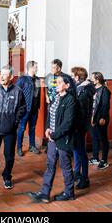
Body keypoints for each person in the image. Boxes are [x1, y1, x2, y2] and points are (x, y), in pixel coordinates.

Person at [27, 74, 77, 203]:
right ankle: (44, 193)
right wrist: (48, 128)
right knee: (50, 165)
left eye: (59, 82)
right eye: (56, 82)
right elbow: (50, 115)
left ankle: (69, 192)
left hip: (63, 139)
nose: (56, 85)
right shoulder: (55, 98)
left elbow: (68, 123)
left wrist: (54, 135)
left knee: (65, 166)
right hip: (52, 138)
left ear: (67, 85)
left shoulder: (70, 100)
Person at [71, 67, 94, 189]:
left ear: (77, 77)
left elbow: (82, 112)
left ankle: (85, 178)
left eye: (72, 76)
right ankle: (77, 172)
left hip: (80, 125)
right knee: (76, 149)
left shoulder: (84, 91)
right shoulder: (81, 88)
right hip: (78, 125)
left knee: (81, 152)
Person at [15, 61, 41, 157]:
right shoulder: (22, 79)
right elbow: (16, 93)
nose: (37, 69)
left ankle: (32, 146)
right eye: (36, 67)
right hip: (25, 109)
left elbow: (38, 95)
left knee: (32, 128)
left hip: (34, 109)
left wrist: (38, 106)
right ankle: (19, 148)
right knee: (21, 128)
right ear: (31, 68)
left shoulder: (37, 79)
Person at [89, 72, 111, 170]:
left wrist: (103, 117)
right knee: (94, 138)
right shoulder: (93, 89)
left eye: (92, 78)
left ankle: (104, 160)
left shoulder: (104, 90)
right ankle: (95, 157)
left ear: (97, 80)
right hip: (93, 117)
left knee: (103, 139)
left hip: (101, 117)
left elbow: (106, 105)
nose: (91, 79)